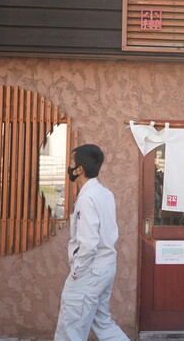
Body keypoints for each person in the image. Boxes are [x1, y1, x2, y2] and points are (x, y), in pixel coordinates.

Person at [54, 144, 130, 341]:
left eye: (71, 162)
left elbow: (88, 242)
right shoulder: (105, 193)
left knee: (69, 330)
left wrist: (76, 272)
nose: (69, 166)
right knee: (103, 323)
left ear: (79, 169)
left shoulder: (87, 198)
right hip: (105, 268)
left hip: (89, 271)